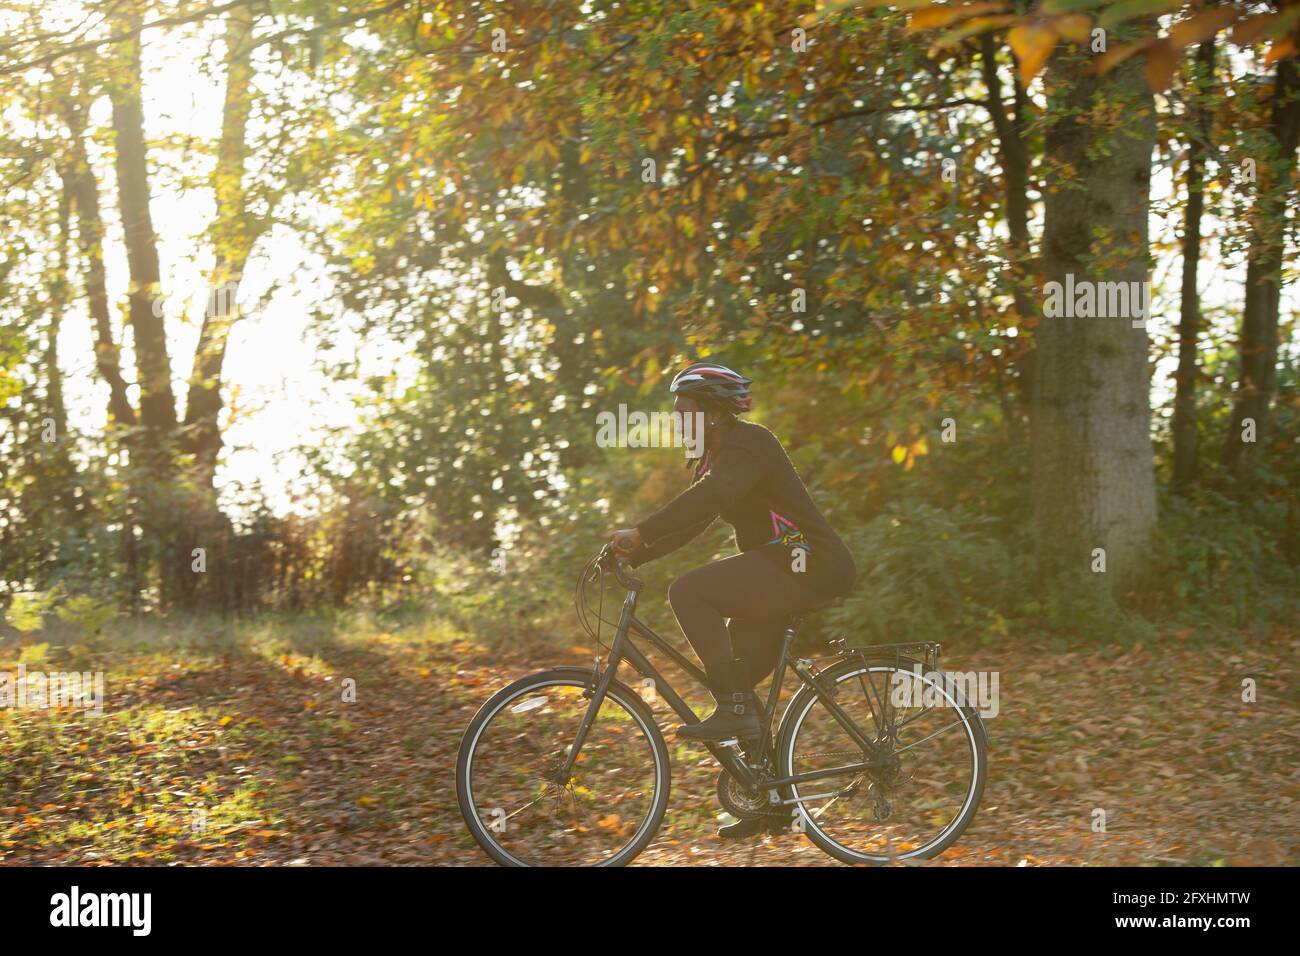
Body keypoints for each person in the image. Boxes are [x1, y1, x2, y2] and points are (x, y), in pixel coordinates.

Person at [609, 362, 858, 838]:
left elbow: (710, 498)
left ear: (715, 414)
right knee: (737, 678)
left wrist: (640, 532)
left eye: (685, 411)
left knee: (689, 592)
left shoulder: (750, 444)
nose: (678, 421)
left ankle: (738, 709)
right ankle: (772, 802)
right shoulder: (721, 455)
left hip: (808, 560)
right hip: (782, 563)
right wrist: (636, 552)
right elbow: (697, 521)